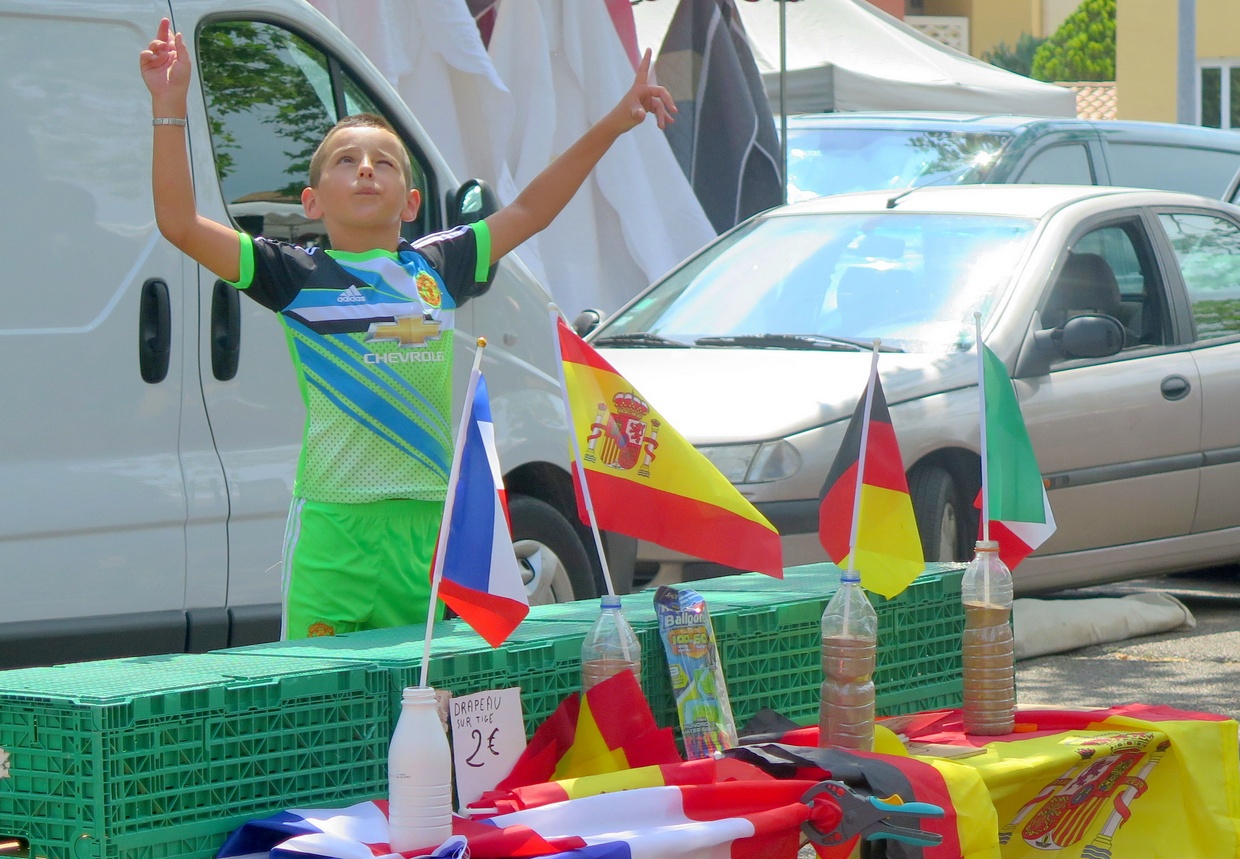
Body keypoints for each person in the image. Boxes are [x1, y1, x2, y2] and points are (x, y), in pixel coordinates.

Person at [139, 17, 676, 639]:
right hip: (335, 531)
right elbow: (179, 222)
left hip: (429, 530)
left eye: (384, 162)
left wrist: (614, 122)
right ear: (311, 202)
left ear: (411, 201)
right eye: (346, 160)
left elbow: (530, 210)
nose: (366, 169)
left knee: (423, 705)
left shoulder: (439, 267)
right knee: (326, 713)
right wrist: (169, 106)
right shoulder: (291, 274)